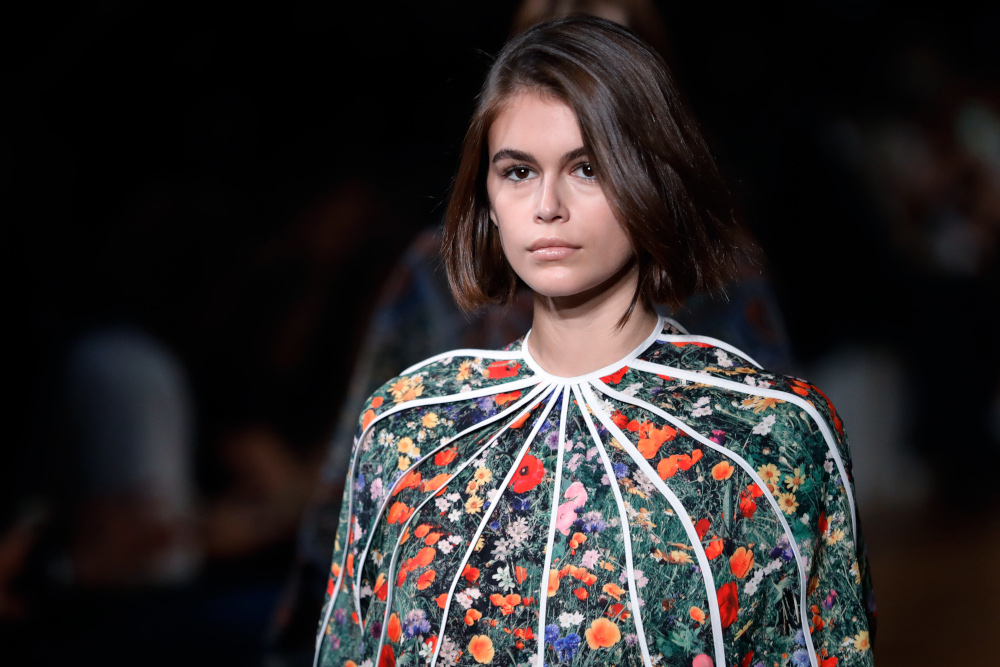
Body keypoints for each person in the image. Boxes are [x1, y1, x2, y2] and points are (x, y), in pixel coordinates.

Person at [315, 16, 874, 667]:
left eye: (587, 167)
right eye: (518, 172)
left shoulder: (768, 436)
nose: (547, 205)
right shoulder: (409, 428)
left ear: (656, 180)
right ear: (487, 198)